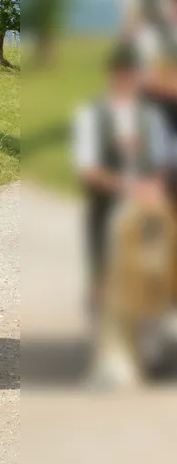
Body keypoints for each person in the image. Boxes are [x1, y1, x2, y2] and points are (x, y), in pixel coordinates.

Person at [75, 42, 171, 301]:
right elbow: (89, 170)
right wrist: (128, 188)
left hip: (146, 195)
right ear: (111, 75)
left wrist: (154, 188)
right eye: (122, 74)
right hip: (108, 196)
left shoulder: (151, 115)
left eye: (132, 74)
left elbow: (161, 163)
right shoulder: (92, 114)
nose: (127, 80)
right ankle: (101, 288)